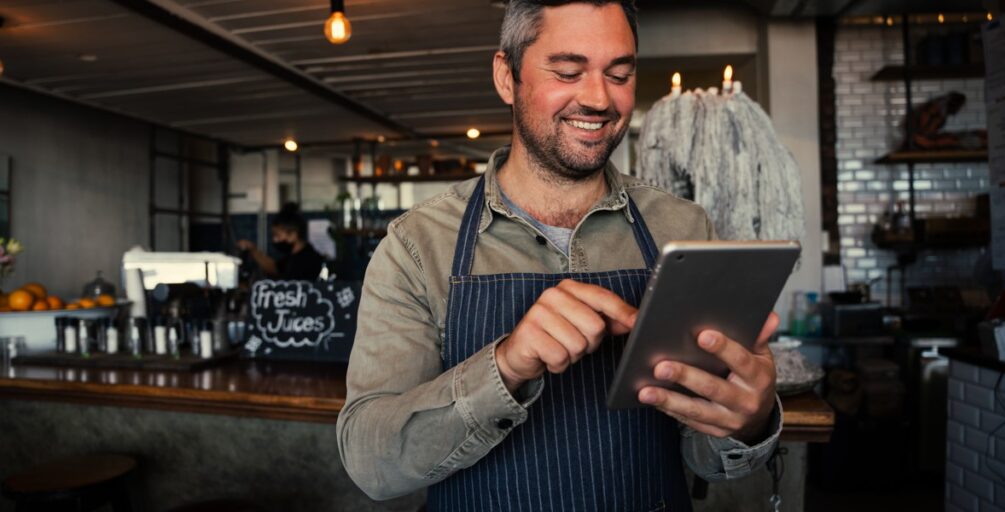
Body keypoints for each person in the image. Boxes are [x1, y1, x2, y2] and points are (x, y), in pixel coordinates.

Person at [338, 1, 782, 510]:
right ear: (507, 76)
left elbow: (706, 456)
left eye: (619, 74)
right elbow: (370, 462)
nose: (598, 98)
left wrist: (748, 421)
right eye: (568, 71)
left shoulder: (683, 228)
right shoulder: (418, 247)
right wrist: (503, 367)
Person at [236, 202, 324, 281]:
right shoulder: (293, 257)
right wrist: (253, 250)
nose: (275, 240)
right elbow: (274, 268)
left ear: (293, 235)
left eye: (277, 235)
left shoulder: (307, 260)